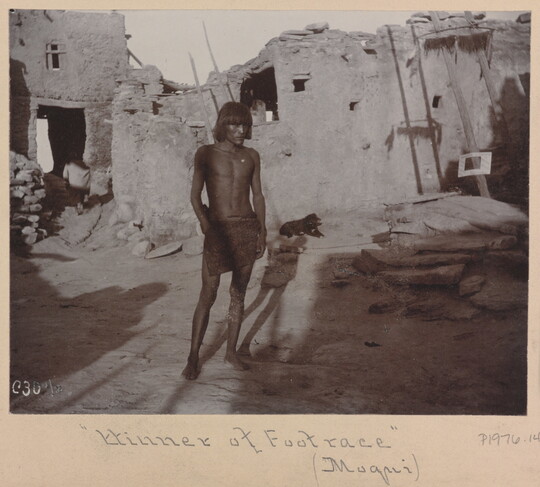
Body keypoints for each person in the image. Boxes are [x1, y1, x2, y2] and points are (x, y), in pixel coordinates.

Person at [182, 102, 267, 380]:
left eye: (244, 125)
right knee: (209, 293)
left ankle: (231, 352)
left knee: (238, 295)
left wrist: (262, 231)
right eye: (234, 124)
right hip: (218, 229)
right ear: (223, 125)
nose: (240, 130)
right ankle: (193, 357)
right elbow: (195, 195)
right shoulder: (206, 153)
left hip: (246, 227)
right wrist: (207, 226)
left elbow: (258, 195)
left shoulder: (252, 156)